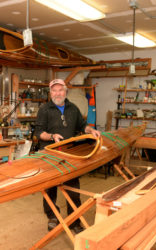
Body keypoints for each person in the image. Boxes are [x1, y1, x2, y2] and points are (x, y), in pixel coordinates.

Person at [35, 79, 100, 233]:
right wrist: (52, 136)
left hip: (69, 154)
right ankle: (52, 216)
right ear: (50, 93)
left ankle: (74, 221)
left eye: (60, 90)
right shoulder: (44, 109)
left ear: (66, 92)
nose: (57, 93)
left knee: (73, 189)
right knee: (50, 189)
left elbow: (81, 126)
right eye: (54, 91)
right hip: (50, 154)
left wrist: (91, 131)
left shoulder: (73, 108)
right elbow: (38, 133)